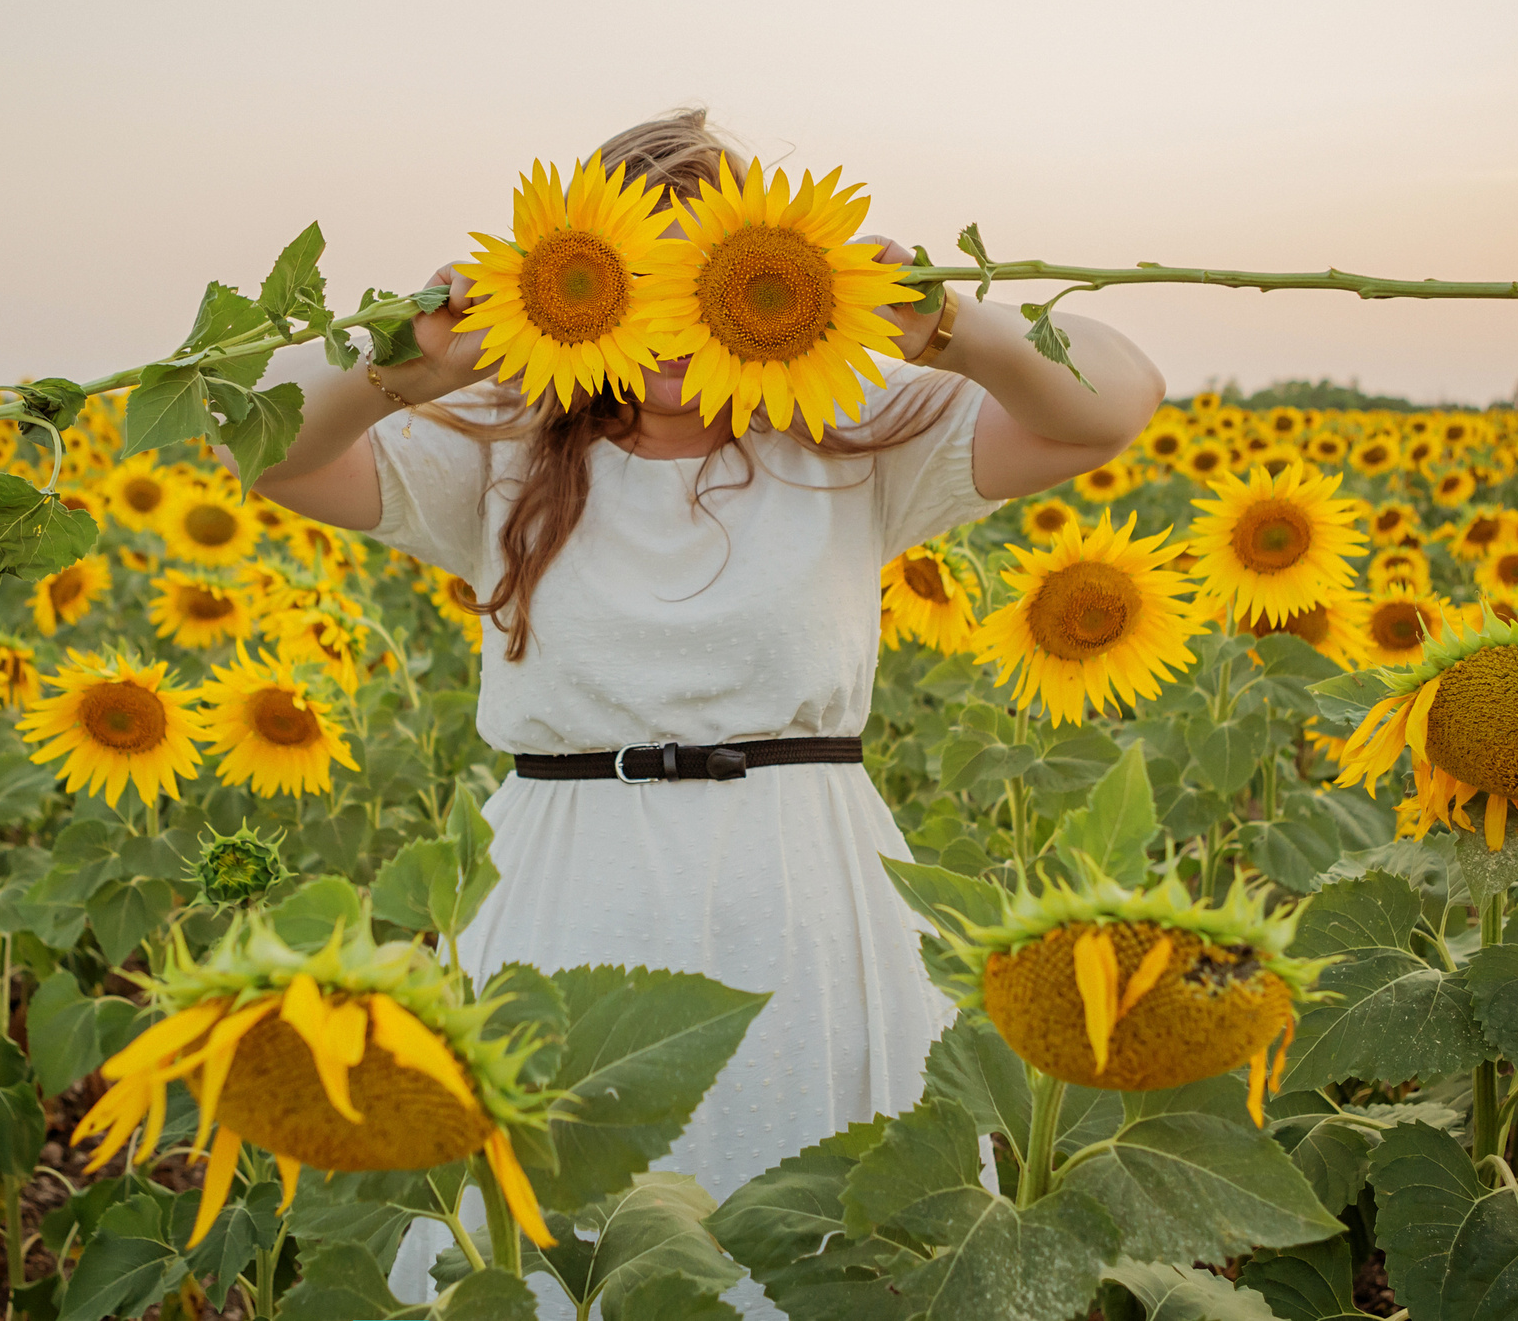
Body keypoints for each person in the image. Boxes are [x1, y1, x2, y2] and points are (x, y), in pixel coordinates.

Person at [245, 109, 1164, 1316]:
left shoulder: (856, 437)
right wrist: (407, 362)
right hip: (565, 887)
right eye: (639, 289)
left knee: (813, 1225)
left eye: (706, 284)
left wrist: (939, 320)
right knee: (558, 1245)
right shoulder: (503, 453)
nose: (674, 327)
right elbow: (260, 439)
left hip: (803, 891)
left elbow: (1115, 399)